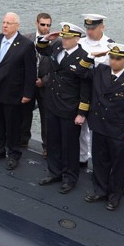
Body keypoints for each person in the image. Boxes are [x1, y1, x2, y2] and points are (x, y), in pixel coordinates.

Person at [36, 22, 92, 194]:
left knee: (69, 145)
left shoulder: (84, 57)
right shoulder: (57, 47)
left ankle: (70, 177)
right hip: (52, 104)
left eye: (68, 38)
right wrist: (46, 38)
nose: (64, 40)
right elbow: (41, 49)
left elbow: (86, 87)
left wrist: (82, 113)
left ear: (77, 38)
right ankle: (55, 172)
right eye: (63, 37)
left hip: (69, 107)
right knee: (53, 141)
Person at [79, 43, 124, 212]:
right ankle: (100, 190)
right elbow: (80, 72)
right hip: (99, 125)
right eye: (111, 57)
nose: (113, 61)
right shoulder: (100, 71)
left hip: (117, 129)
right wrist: (92, 55)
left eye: (117, 58)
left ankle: (114, 196)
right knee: (99, 161)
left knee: (117, 165)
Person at [0, 13, 36, 170]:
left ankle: (13, 154)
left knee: (13, 126)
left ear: (17, 26)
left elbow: (30, 72)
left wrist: (27, 94)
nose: (5, 25)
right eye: (4, 22)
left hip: (13, 92)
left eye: (9, 23)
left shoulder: (26, 45)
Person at [77, 14, 114, 168]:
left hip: (99, 93)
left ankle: (99, 164)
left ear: (102, 27)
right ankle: (82, 158)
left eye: (93, 28)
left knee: (98, 131)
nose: (89, 31)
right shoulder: (79, 43)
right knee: (80, 128)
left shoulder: (110, 46)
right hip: (80, 91)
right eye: (87, 28)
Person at [22, 12, 52, 157]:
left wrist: (44, 80)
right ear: (37, 23)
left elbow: (57, 67)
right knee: (25, 113)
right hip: (28, 83)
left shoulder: (55, 42)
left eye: (48, 25)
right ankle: (23, 140)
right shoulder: (26, 39)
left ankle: (47, 146)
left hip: (45, 85)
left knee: (46, 117)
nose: (46, 28)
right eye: (43, 24)